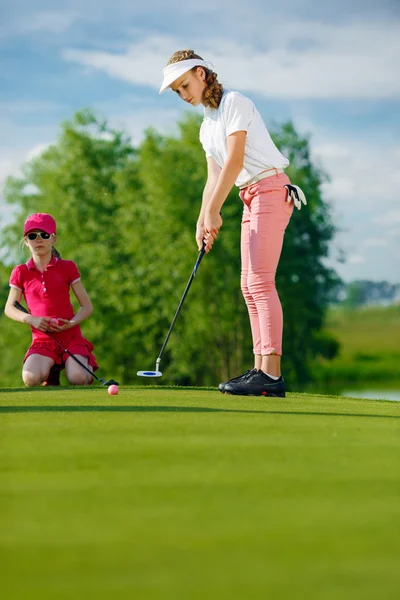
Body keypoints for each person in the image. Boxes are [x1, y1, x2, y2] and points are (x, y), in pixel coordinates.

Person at [159, 50, 306, 397]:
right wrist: (202, 217)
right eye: (178, 91)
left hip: (270, 189)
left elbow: (236, 158)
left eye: (185, 85)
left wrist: (215, 210)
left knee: (260, 281)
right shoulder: (206, 125)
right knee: (247, 284)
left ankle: (271, 374)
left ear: (201, 73)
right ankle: (260, 369)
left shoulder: (234, 102)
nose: (184, 95)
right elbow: (214, 174)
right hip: (249, 195)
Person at [4, 213, 98, 387]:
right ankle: (52, 370)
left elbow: (86, 307)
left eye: (44, 235)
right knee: (30, 378)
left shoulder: (67, 267)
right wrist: (31, 319)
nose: (38, 239)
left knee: (78, 378)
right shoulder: (20, 272)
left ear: (53, 239)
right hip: (42, 339)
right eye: (32, 236)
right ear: (26, 241)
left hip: (70, 336)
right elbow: (9, 308)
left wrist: (71, 323)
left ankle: (83, 367)